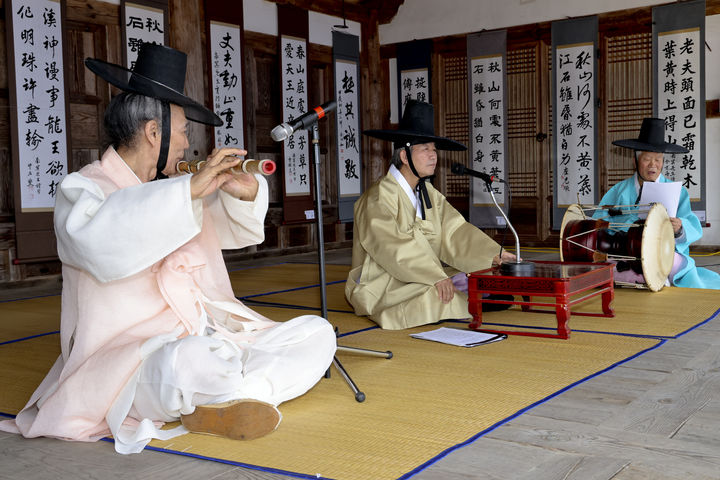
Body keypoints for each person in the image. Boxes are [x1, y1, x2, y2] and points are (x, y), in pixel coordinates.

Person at [0, 44, 336, 454]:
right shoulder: (83, 190)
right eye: (182, 132)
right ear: (152, 131)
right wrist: (187, 191)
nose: (186, 145)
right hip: (134, 359)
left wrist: (244, 194)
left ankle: (238, 397)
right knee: (192, 360)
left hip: (209, 335)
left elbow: (230, 231)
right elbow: (104, 244)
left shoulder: (174, 190)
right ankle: (229, 392)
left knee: (317, 334)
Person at [345, 100, 516, 330]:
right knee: (438, 295)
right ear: (404, 156)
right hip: (383, 280)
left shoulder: (428, 193)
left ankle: (467, 291)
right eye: (425, 149)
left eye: (434, 149)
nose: (433, 155)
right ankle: (463, 295)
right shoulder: (377, 198)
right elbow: (391, 247)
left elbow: (455, 231)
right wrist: (434, 275)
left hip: (420, 272)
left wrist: (493, 255)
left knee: (473, 279)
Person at [597, 117, 720, 289]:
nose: (653, 165)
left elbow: (690, 224)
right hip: (625, 253)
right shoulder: (618, 191)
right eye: (647, 159)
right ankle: (644, 277)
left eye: (658, 159)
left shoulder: (677, 191)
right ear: (636, 161)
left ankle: (643, 277)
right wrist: (630, 227)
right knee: (604, 266)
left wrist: (679, 229)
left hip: (662, 252)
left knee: (675, 263)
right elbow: (598, 223)